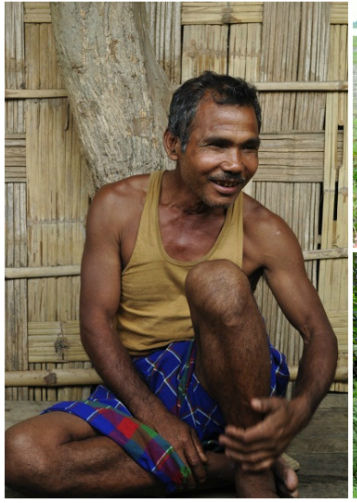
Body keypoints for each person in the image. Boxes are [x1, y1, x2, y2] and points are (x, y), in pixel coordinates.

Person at [5, 72, 339, 498]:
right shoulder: (118, 206)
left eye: (248, 147)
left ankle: (252, 475)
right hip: (135, 384)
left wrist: (301, 410)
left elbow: (318, 332)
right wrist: (154, 417)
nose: (236, 164)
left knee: (216, 279)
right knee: (21, 455)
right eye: (217, 144)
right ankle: (230, 465)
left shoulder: (264, 230)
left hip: (224, 386)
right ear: (173, 144)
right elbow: (95, 321)